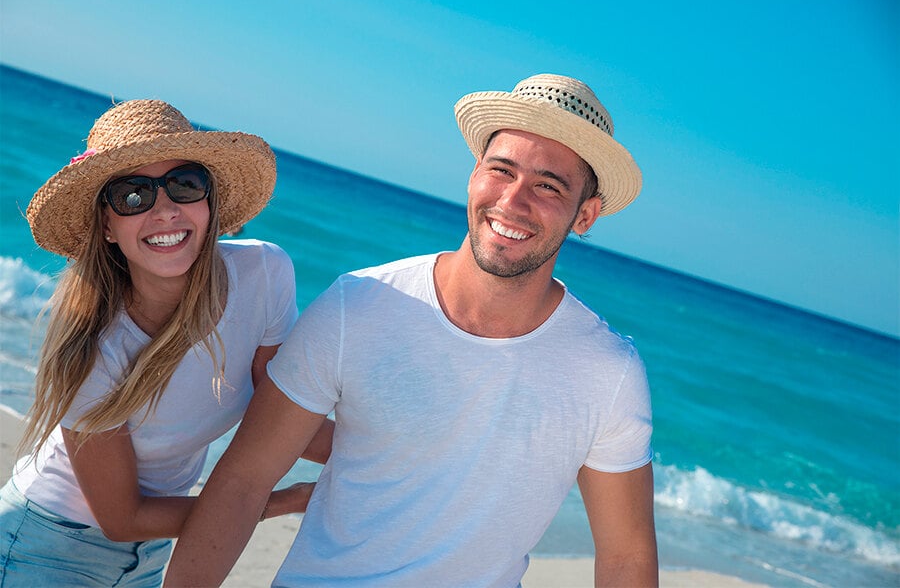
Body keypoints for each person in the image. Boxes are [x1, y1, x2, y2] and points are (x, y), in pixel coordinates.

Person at [166, 73, 657, 587]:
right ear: (474, 175)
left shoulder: (607, 373)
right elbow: (243, 481)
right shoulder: (356, 306)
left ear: (586, 215)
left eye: (548, 185)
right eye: (501, 170)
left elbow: (626, 558)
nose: (513, 200)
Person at [0, 99, 333, 587]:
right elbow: (122, 517)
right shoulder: (92, 345)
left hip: (153, 550)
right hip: (44, 547)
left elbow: (280, 413)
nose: (165, 209)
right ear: (107, 227)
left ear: (209, 201)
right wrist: (281, 500)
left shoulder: (263, 273)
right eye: (132, 195)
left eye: (184, 184)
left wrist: (390, 453)